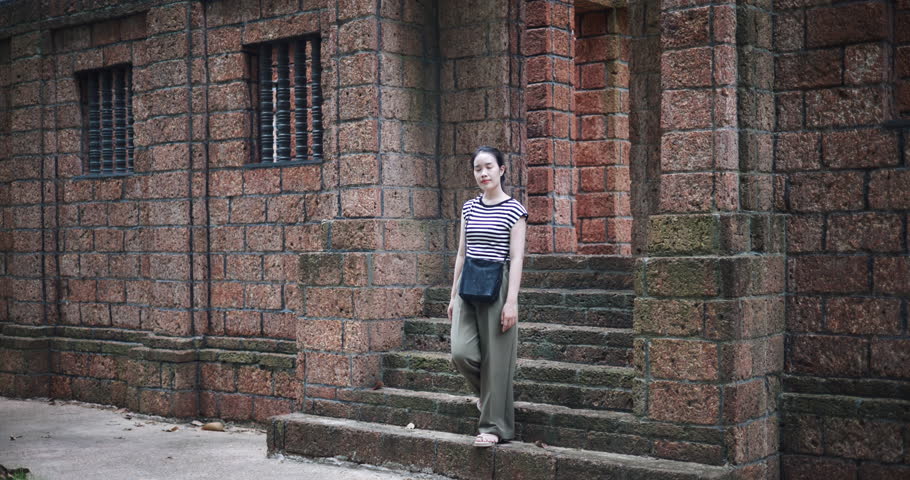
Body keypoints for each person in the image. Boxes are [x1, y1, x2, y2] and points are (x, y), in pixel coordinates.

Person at [447, 145, 528, 448]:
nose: (483, 173)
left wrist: (512, 301)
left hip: (499, 283)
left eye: (489, 167)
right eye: (478, 168)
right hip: (469, 283)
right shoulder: (469, 208)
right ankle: (489, 398)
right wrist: (453, 295)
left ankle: (493, 428)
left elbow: (517, 258)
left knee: (496, 360)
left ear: (502, 170)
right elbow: (461, 253)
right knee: (460, 352)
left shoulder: (515, 210)